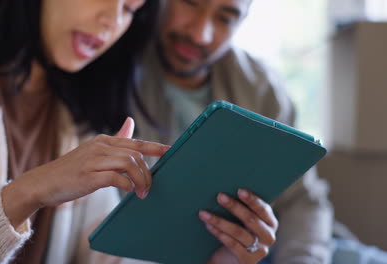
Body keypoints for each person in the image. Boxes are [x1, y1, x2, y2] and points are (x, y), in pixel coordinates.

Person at [0, 0, 278, 263]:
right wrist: (31, 191)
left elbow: (106, 258)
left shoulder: (76, 108)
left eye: (128, 9)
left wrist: (216, 260)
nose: (111, 21)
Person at [134, 0, 334, 263]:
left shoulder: (261, 88)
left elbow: (301, 200)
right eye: (191, 3)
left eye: (225, 18)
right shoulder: (111, 74)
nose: (200, 34)